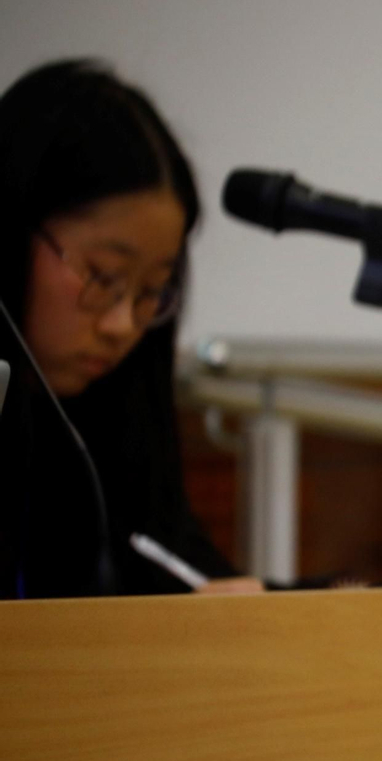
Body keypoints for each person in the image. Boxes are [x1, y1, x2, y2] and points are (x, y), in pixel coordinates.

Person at [0, 59, 261, 599]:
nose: (123, 326)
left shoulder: (112, 438)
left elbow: (179, 569)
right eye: (103, 276)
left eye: (150, 292)